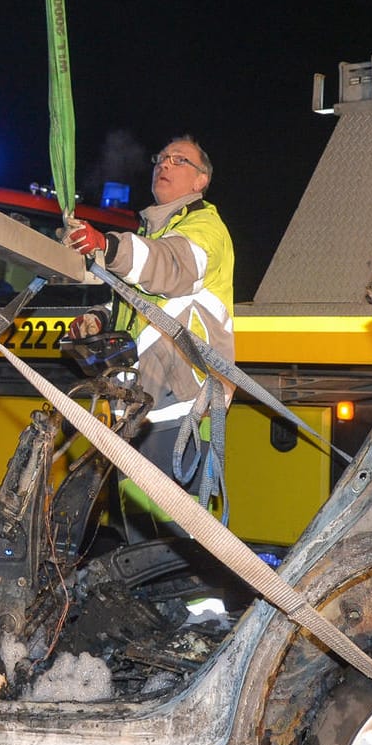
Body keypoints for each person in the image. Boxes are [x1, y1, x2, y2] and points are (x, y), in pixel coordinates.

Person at [63, 135, 235, 487]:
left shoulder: (206, 229)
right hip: (141, 411)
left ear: (201, 181)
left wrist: (108, 246)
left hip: (180, 410)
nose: (165, 164)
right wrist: (100, 319)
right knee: (141, 531)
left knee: (169, 533)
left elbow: (170, 267)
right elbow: (141, 302)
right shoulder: (157, 233)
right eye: (161, 158)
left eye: (179, 160)